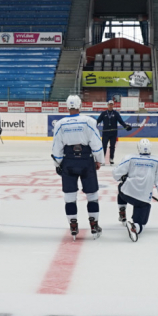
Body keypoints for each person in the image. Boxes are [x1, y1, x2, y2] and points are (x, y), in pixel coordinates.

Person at [51, 94, 104, 239]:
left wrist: (58, 163)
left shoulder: (60, 124)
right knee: (92, 195)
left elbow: (56, 147)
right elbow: (96, 144)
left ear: (67, 106)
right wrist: (98, 160)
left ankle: (73, 226)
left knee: (69, 197)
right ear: (80, 105)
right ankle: (94, 225)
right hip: (86, 160)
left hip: (68, 162)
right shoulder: (89, 122)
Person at [113, 139, 158, 242]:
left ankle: (122, 212)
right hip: (142, 199)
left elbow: (116, 173)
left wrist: (122, 178)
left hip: (126, 193)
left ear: (138, 148)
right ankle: (136, 227)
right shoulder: (157, 161)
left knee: (121, 188)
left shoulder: (129, 157)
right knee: (141, 222)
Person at [95, 100, 131, 165]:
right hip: (105, 133)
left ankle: (111, 159)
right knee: (104, 146)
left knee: (112, 146)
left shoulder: (116, 113)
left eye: (112, 104)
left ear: (113, 105)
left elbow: (121, 121)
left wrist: (126, 126)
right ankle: (102, 160)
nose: (110, 106)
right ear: (107, 105)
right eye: (109, 104)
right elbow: (98, 121)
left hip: (113, 133)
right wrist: (93, 126)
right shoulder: (104, 113)